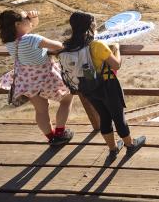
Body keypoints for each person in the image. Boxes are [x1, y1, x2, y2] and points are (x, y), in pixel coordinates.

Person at [62, 11, 145, 156]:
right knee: (118, 117)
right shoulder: (97, 45)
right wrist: (117, 49)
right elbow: (116, 65)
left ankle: (113, 149)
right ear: (89, 26)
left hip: (87, 87)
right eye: (93, 23)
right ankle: (130, 145)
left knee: (104, 117)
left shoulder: (68, 46)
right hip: (107, 85)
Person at [0, 9, 74, 145]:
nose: (30, 21)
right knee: (67, 100)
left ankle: (51, 137)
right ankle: (61, 133)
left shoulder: (10, 42)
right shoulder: (32, 39)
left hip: (27, 81)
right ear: (18, 24)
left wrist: (32, 19)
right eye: (27, 19)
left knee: (41, 110)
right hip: (45, 78)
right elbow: (59, 46)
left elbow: (27, 31)